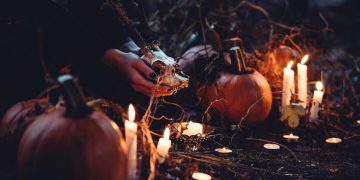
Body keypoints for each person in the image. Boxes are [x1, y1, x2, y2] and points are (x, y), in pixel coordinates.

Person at [0, 0, 173, 111]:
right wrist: (112, 56)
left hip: (82, 45)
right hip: (21, 52)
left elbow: (95, 8)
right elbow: (38, 10)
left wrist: (133, 47)